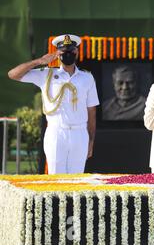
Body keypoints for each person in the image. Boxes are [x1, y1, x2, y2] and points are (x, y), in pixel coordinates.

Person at [7, 34, 99, 174]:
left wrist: (91, 140)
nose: (68, 54)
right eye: (63, 52)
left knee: (77, 180)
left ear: (77, 52)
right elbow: (13, 74)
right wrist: (39, 61)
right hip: (57, 132)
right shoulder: (46, 74)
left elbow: (91, 111)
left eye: (71, 51)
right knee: (55, 179)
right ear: (57, 54)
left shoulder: (87, 77)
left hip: (79, 133)